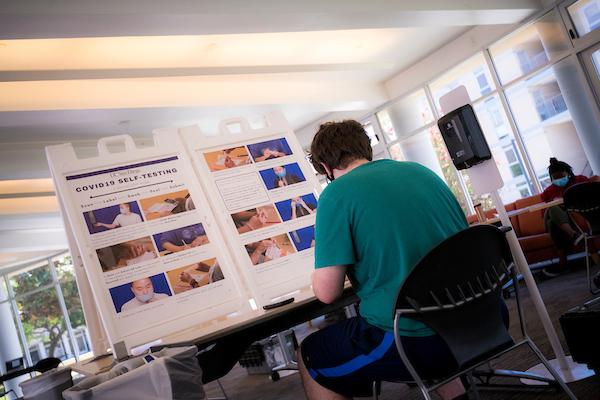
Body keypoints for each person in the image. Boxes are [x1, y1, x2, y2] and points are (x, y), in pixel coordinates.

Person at [299, 120, 469, 400]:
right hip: (479, 317)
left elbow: (327, 293)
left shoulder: (335, 195)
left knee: (312, 353)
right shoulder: (420, 171)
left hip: (418, 340)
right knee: (420, 310)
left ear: (325, 167)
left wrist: (324, 252)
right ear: (365, 148)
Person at [541, 158, 600, 277]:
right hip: (563, 218)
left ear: (568, 173)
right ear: (551, 178)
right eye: (555, 178)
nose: (558, 180)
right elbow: (543, 214)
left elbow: (593, 196)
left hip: (580, 216)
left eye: (561, 176)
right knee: (552, 210)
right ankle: (574, 235)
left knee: (553, 224)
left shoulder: (580, 180)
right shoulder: (548, 192)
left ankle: (563, 263)